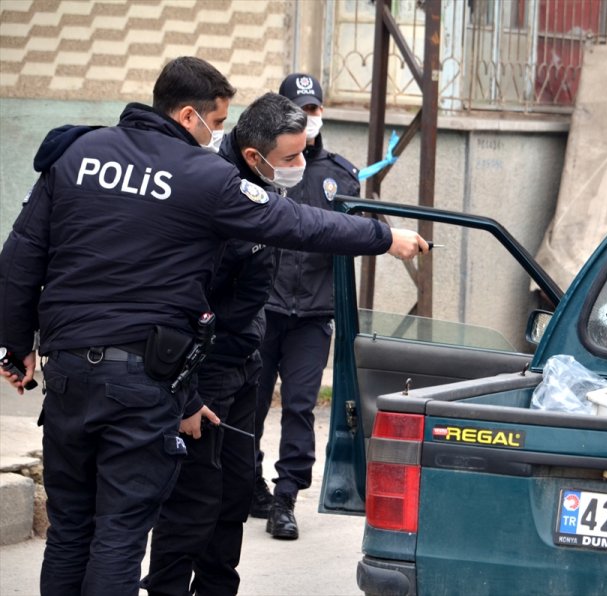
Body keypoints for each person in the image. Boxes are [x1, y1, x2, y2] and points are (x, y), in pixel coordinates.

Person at [0, 56, 427, 596]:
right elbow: (297, 223)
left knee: (69, 532)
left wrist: (14, 349)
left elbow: (20, 257)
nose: (217, 133)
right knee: (119, 534)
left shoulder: (76, 152)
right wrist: (384, 239)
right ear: (187, 116)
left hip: (66, 376)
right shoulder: (205, 177)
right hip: (140, 382)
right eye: (218, 121)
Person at [142, 92, 312, 596]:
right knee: (193, 499)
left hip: (244, 364)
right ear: (255, 155)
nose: (300, 166)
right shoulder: (213, 192)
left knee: (234, 494)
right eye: (291, 158)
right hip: (204, 367)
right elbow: (180, 297)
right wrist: (187, 393)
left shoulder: (262, 188)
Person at [250, 73, 360, 540]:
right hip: (262, 310)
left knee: (298, 407)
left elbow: (359, 237)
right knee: (247, 405)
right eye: (300, 110)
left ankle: (285, 497)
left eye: (315, 109)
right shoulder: (262, 168)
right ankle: (246, 485)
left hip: (313, 316)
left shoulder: (340, 175)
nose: (310, 118)